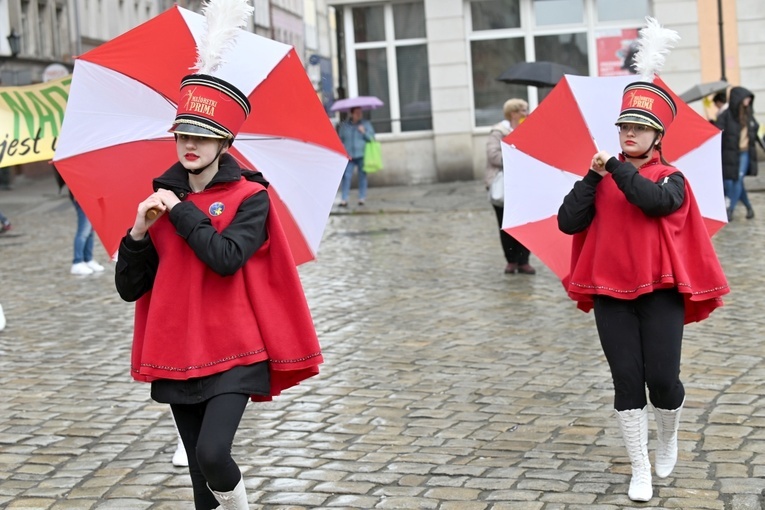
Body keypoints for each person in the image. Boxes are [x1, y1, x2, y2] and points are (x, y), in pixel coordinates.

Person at [115, 71, 322, 510]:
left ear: (225, 143)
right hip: (176, 349)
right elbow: (129, 288)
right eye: (183, 136)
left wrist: (183, 214)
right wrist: (136, 233)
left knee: (213, 453)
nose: (191, 145)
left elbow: (226, 257)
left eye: (204, 137)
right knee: (196, 470)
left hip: (237, 348)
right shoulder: (158, 202)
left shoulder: (252, 197)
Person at [557, 81, 729, 502]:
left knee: (663, 380)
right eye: (624, 127)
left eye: (639, 127)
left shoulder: (673, 179)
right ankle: (640, 469)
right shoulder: (602, 177)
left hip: (660, 293)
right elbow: (567, 221)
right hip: (610, 294)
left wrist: (615, 169)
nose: (629, 134)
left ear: (657, 136)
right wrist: (592, 177)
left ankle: (668, 438)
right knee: (627, 380)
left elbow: (651, 201)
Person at [485, 98, 536, 274]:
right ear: (513, 113)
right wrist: (513, 159)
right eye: (523, 110)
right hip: (503, 184)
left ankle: (524, 260)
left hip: (524, 183)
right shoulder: (499, 132)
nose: (526, 113)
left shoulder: (528, 130)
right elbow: (493, 155)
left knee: (525, 224)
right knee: (505, 224)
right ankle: (511, 260)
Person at [715, 86, 762, 221]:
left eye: (749, 99)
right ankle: (749, 208)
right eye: (746, 98)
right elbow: (717, 133)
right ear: (738, 99)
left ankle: (730, 210)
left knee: (738, 180)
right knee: (734, 182)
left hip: (745, 153)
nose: (748, 101)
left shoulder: (748, 115)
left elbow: (756, 132)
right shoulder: (726, 116)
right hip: (730, 154)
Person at [338, 106, 375, 207]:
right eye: (357, 113)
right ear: (352, 113)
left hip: (362, 154)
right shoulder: (345, 125)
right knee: (346, 176)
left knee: (362, 176)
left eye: (360, 112)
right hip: (349, 155)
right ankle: (344, 199)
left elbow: (371, 139)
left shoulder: (366, 124)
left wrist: (364, 132)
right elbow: (340, 139)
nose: (359, 114)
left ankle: (361, 198)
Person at [70, 196, 105, 275]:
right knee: (83, 232)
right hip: (82, 199)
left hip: (91, 199)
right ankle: (77, 262)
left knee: (90, 231)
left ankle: (88, 259)